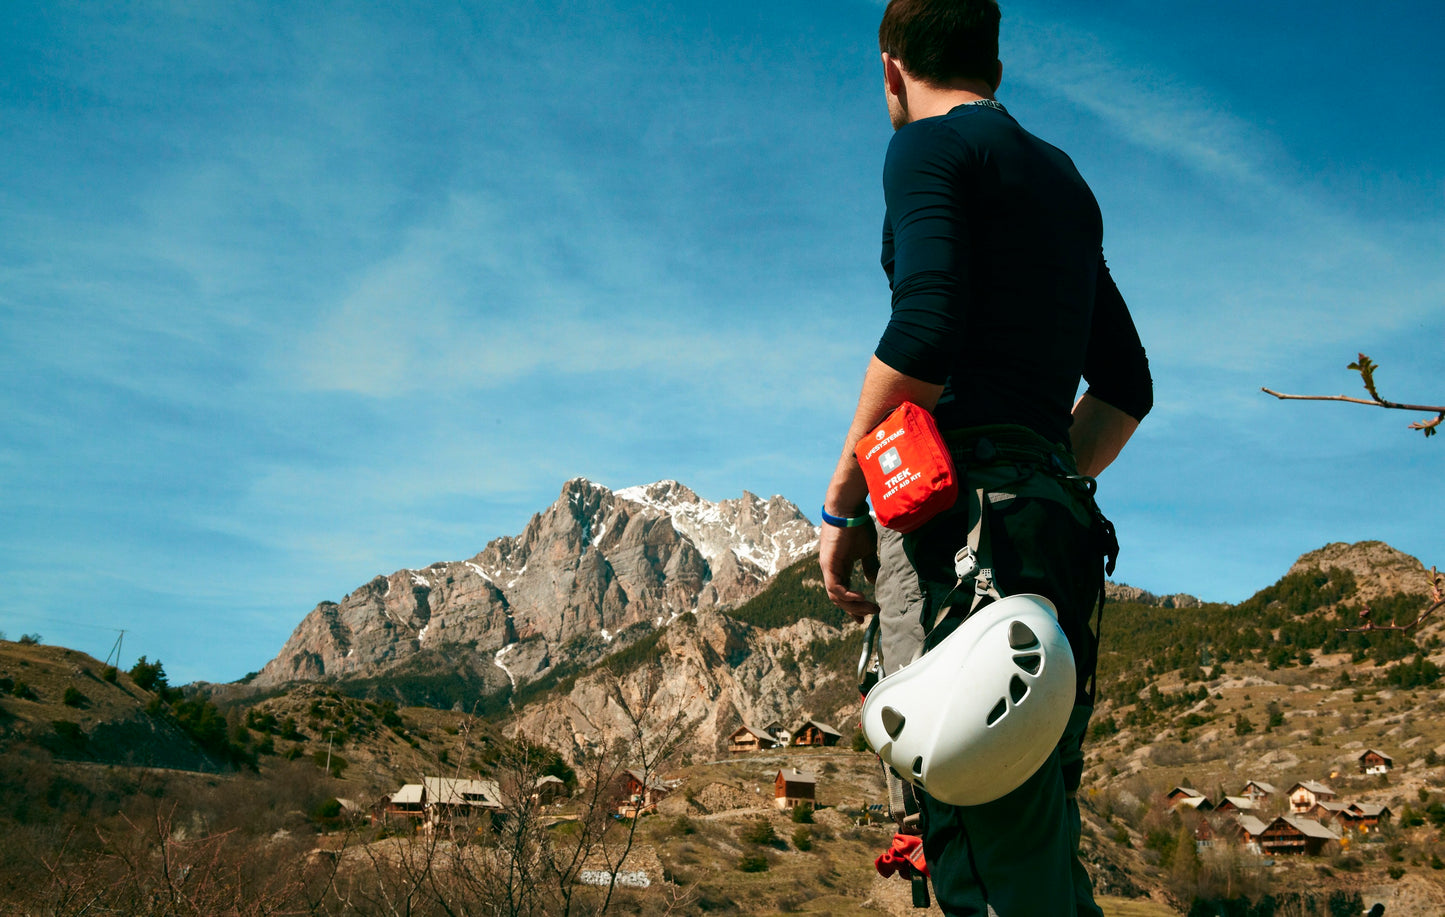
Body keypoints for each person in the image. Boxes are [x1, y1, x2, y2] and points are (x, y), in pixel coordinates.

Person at [818, 1, 1153, 914]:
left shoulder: (925, 148)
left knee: (987, 865)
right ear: (993, 62)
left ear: (892, 69)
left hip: (960, 533)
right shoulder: (1064, 180)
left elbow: (923, 331)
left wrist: (844, 504)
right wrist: (1046, 474)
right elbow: (1124, 385)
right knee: (1033, 834)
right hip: (1058, 533)